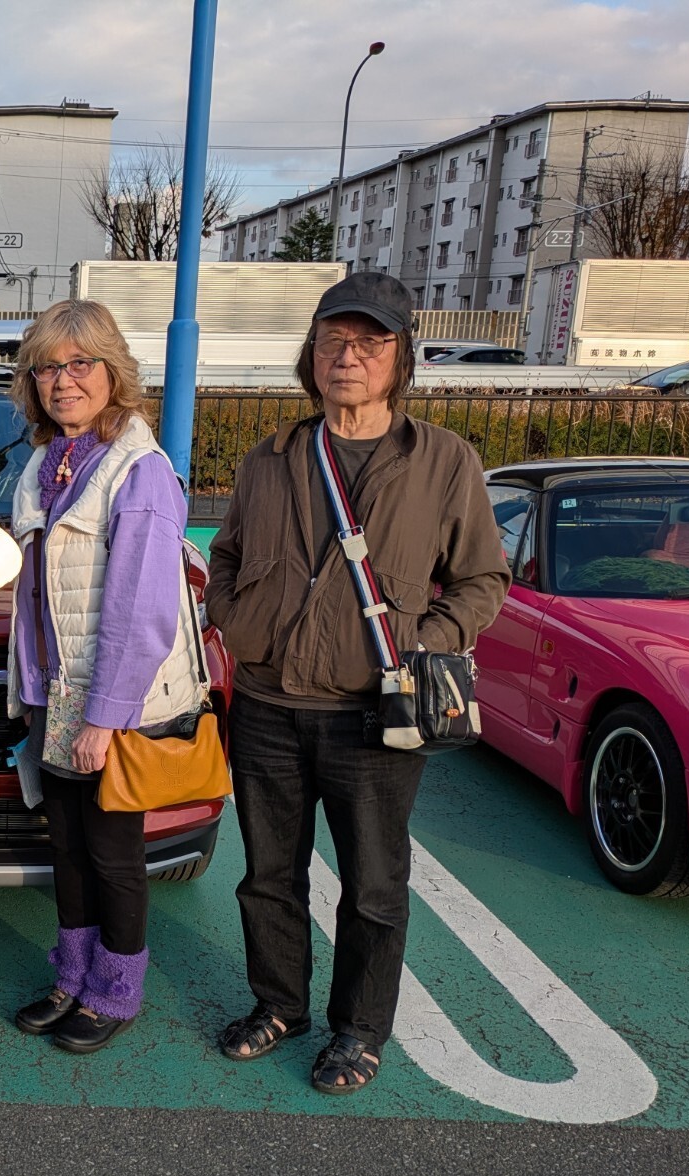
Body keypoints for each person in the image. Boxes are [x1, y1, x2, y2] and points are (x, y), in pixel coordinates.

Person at [205, 271, 508, 1093]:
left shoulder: (441, 460)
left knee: (373, 885)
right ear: (310, 354)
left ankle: (358, 1031)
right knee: (267, 876)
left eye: (370, 343)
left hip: (375, 712)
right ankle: (278, 1006)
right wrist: (235, 618)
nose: (347, 357)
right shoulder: (271, 457)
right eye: (332, 341)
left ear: (401, 358)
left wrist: (420, 644)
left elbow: (482, 579)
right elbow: (226, 554)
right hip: (266, 704)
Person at [4, 299, 198, 1053]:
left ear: (113, 371)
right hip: (56, 697)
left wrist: (102, 718)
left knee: (113, 856)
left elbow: (141, 610)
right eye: (47, 367)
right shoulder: (47, 463)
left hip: (109, 705)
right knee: (68, 847)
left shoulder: (138, 471)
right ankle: (72, 978)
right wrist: (33, 695)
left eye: (80, 363)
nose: (63, 381)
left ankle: (115, 992)